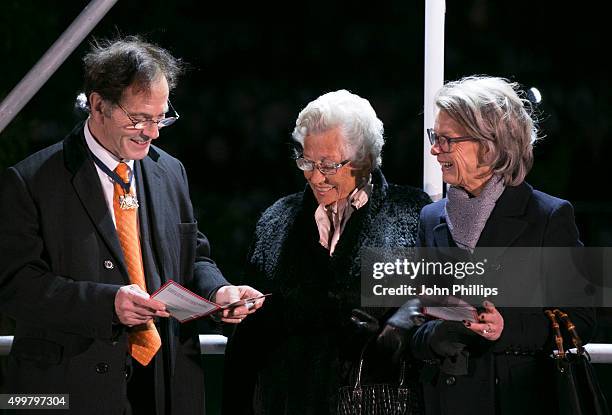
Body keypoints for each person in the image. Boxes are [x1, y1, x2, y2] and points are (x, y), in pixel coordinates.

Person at [0, 36, 263, 415]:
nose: (152, 132)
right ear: (97, 105)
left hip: (166, 387)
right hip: (68, 392)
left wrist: (219, 291)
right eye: (139, 119)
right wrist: (107, 304)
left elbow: (194, 258)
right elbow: (14, 285)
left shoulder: (171, 171)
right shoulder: (30, 180)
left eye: (160, 118)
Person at [222, 89, 431, 414]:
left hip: (375, 402)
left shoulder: (413, 213)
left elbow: (445, 298)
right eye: (306, 161)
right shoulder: (278, 218)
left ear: (365, 160)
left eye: (329, 165)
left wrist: (402, 324)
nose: (315, 177)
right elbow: (247, 341)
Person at [403, 75, 596, 415]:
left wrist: (506, 328)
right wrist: (434, 336)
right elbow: (412, 318)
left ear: (490, 145)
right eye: (435, 137)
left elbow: (581, 319)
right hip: (442, 401)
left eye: (447, 140)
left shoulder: (549, 216)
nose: (435, 149)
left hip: (516, 400)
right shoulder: (430, 218)